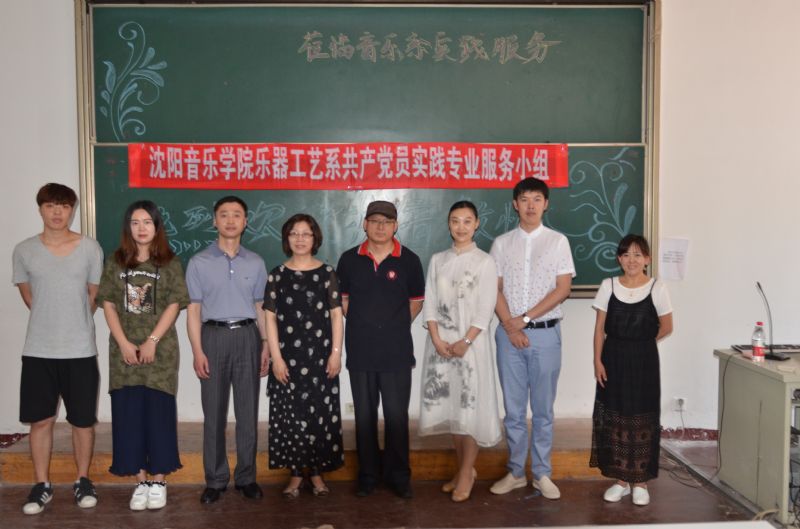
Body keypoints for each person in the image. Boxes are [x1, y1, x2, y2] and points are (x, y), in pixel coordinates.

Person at [12, 183, 103, 515]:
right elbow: (30, 298)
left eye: (64, 206)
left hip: (80, 350)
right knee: (41, 420)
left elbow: (92, 296)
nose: (57, 212)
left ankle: (83, 480)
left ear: (72, 210)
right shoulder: (24, 250)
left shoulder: (90, 248)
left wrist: (72, 321)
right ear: (40, 208)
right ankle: (41, 484)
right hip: (39, 349)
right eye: (50, 205)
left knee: (82, 422)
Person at [96, 200, 189, 511]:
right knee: (129, 416)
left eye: (147, 222)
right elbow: (108, 303)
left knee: (159, 416)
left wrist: (151, 341)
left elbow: (174, 304)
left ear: (157, 226)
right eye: (135, 222)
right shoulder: (115, 262)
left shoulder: (171, 262)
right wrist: (124, 342)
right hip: (123, 353)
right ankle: (140, 481)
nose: (141, 228)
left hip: (159, 353)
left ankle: (159, 480)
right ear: (128, 228)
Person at [489, 177, 575, 500]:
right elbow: (494, 288)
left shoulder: (558, 242)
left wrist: (523, 320)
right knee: (513, 411)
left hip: (545, 335)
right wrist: (511, 327)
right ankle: (515, 472)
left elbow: (563, 289)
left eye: (536, 199)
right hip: (507, 336)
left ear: (546, 204)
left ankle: (541, 474)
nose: (530, 205)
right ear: (515, 204)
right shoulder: (501, 244)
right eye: (524, 199)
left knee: (542, 410)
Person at [336, 200, 425, 499]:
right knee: (364, 416)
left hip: (396, 351)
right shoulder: (349, 260)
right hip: (361, 350)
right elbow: (343, 300)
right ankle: (368, 476)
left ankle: (399, 477)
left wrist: (392, 327)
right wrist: (365, 325)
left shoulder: (409, 260)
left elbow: (416, 302)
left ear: (395, 225)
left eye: (386, 222)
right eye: (374, 221)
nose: (380, 226)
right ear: (365, 224)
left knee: (397, 416)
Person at [185, 195, 269, 504]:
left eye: (236, 215)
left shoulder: (256, 262)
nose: (230, 220)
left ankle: (246, 477)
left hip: (247, 336)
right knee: (214, 414)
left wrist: (265, 344)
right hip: (213, 337)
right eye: (224, 214)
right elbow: (193, 310)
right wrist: (197, 350)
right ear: (214, 221)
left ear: (246, 222)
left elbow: (260, 307)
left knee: (247, 412)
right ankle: (215, 479)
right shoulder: (199, 262)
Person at [418, 200, 501, 503]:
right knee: (453, 409)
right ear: (449, 224)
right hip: (441, 346)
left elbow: (486, 307)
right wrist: (437, 338)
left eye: (467, 221)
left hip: (471, 348)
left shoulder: (485, 262)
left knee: (469, 408)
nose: (461, 227)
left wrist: (465, 341)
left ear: (476, 224)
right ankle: (461, 468)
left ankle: (467, 472)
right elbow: (429, 301)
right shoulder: (438, 260)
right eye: (455, 221)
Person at [263, 213, 344, 498]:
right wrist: (276, 358)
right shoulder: (276, 275)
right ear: (287, 239)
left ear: (314, 238)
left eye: (306, 233)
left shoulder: (327, 273)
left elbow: (337, 315)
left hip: (321, 359)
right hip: (288, 359)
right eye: (294, 233)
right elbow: (269, 318)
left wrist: (336, 354)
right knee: (292, 417)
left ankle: (317, 474)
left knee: (319, 415)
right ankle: (296, 475)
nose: (300, 239)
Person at [590, 234, 673, 506]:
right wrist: (597, 361)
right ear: (619, 259)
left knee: (641, 417)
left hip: (644, 360)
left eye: (638, 255)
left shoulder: (658, 287)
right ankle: (621, 480)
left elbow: (667, 326)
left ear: (647, 259)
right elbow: (599, 329)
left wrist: (641, 343)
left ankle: (640, 481)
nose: (632, 260)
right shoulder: (608, 285)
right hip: (612, 358)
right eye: (626, 255)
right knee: (616, 417)